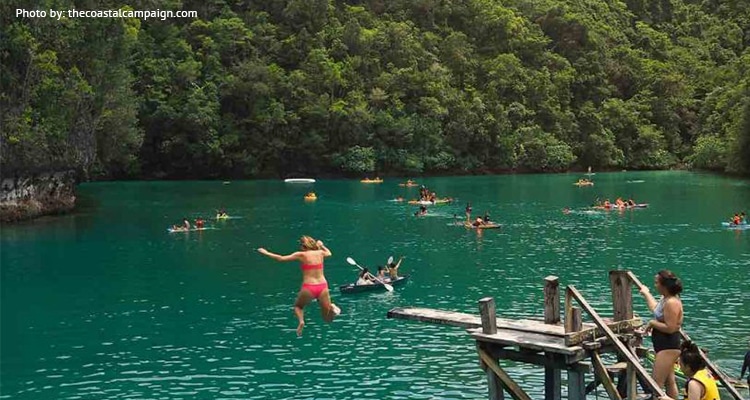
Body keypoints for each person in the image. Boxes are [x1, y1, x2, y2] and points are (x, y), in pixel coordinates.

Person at [257, 236, 341, 336]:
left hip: (309, 287)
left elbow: (281, 258)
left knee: (298, 306)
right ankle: (332, 308)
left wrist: (266, 252)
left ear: (303, 246)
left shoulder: (301, 255)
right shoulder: (320, 253)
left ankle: (301, 321)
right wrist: (322, 246)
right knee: (327, 319)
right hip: (323, 286)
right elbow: (329, 253)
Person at [638, 270, 684, 399]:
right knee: (669, 382)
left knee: (656, 385)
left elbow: (671, 327)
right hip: (662, 346)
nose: (655, 285)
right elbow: (655, 309)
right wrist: (646, 294)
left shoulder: (672, 302)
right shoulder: (665, 299)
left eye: (657, 283)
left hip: (668, 346)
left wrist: (652, 323)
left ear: (664, 285)